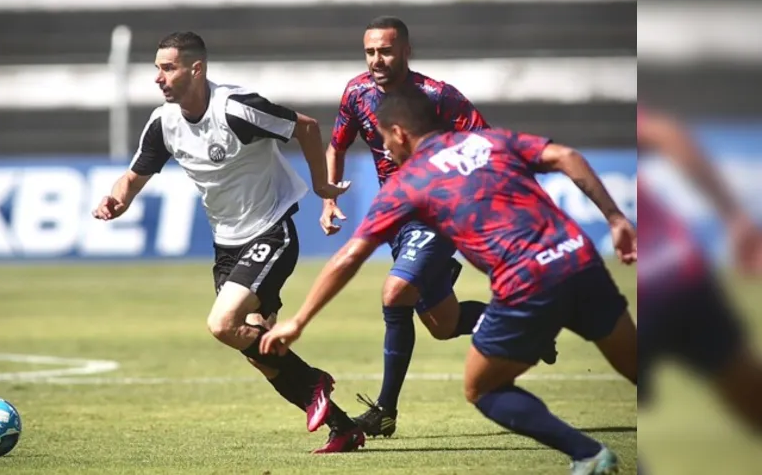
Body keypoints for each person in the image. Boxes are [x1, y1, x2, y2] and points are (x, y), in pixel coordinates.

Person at [261, 85, 638, 474]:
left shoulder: (411, 181)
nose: (386, 149)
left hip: (528, 282)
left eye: (386, 138)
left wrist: (299, 320)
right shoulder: (491, 141)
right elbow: (566, 155)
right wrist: (615, 217)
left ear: (400, 133)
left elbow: (352, 254)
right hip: (580, 259)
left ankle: (587, 454)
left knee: (483, 389)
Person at [93, 32, 365, 454]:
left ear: (195, 69)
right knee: (257, 347)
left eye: (167, 68)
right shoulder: (163, 122)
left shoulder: (237, 109)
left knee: (222, 325)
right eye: (156, 69)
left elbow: (306, 128)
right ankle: (343, 427)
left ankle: (314, 383)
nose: (158, 78)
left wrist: (322, 190)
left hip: (272, 230)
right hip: (227, 245)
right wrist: (117, 200)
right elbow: (131, 178)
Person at [323, 15, 551, 439]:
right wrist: (329, 197)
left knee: (395, 295)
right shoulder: (356, 93)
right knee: (443, 325)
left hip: (439, 214)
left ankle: (384, 411)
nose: (377, 59)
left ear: (406, 51)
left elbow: (486, 144)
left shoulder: (437, 96)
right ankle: (528, 327)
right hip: (397, 217)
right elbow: (336, 145)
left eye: (386, 50)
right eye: (370, 51)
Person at [636, 105, 762, 473]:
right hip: (679, 276)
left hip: (645, 296)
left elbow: (665, 134)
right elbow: (667, 134)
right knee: (749, 395)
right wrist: (734, 215)